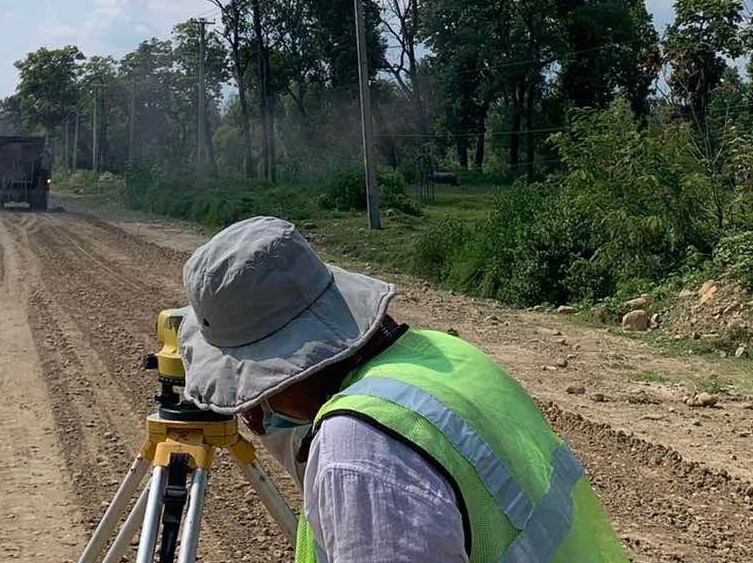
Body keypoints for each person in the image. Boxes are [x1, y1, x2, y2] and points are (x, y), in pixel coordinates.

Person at [177, 216, 627, 563]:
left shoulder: (357, 452)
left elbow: (377, 469)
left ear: (293, 366)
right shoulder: (438, 357)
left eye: (257, 389)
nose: (252, 411)